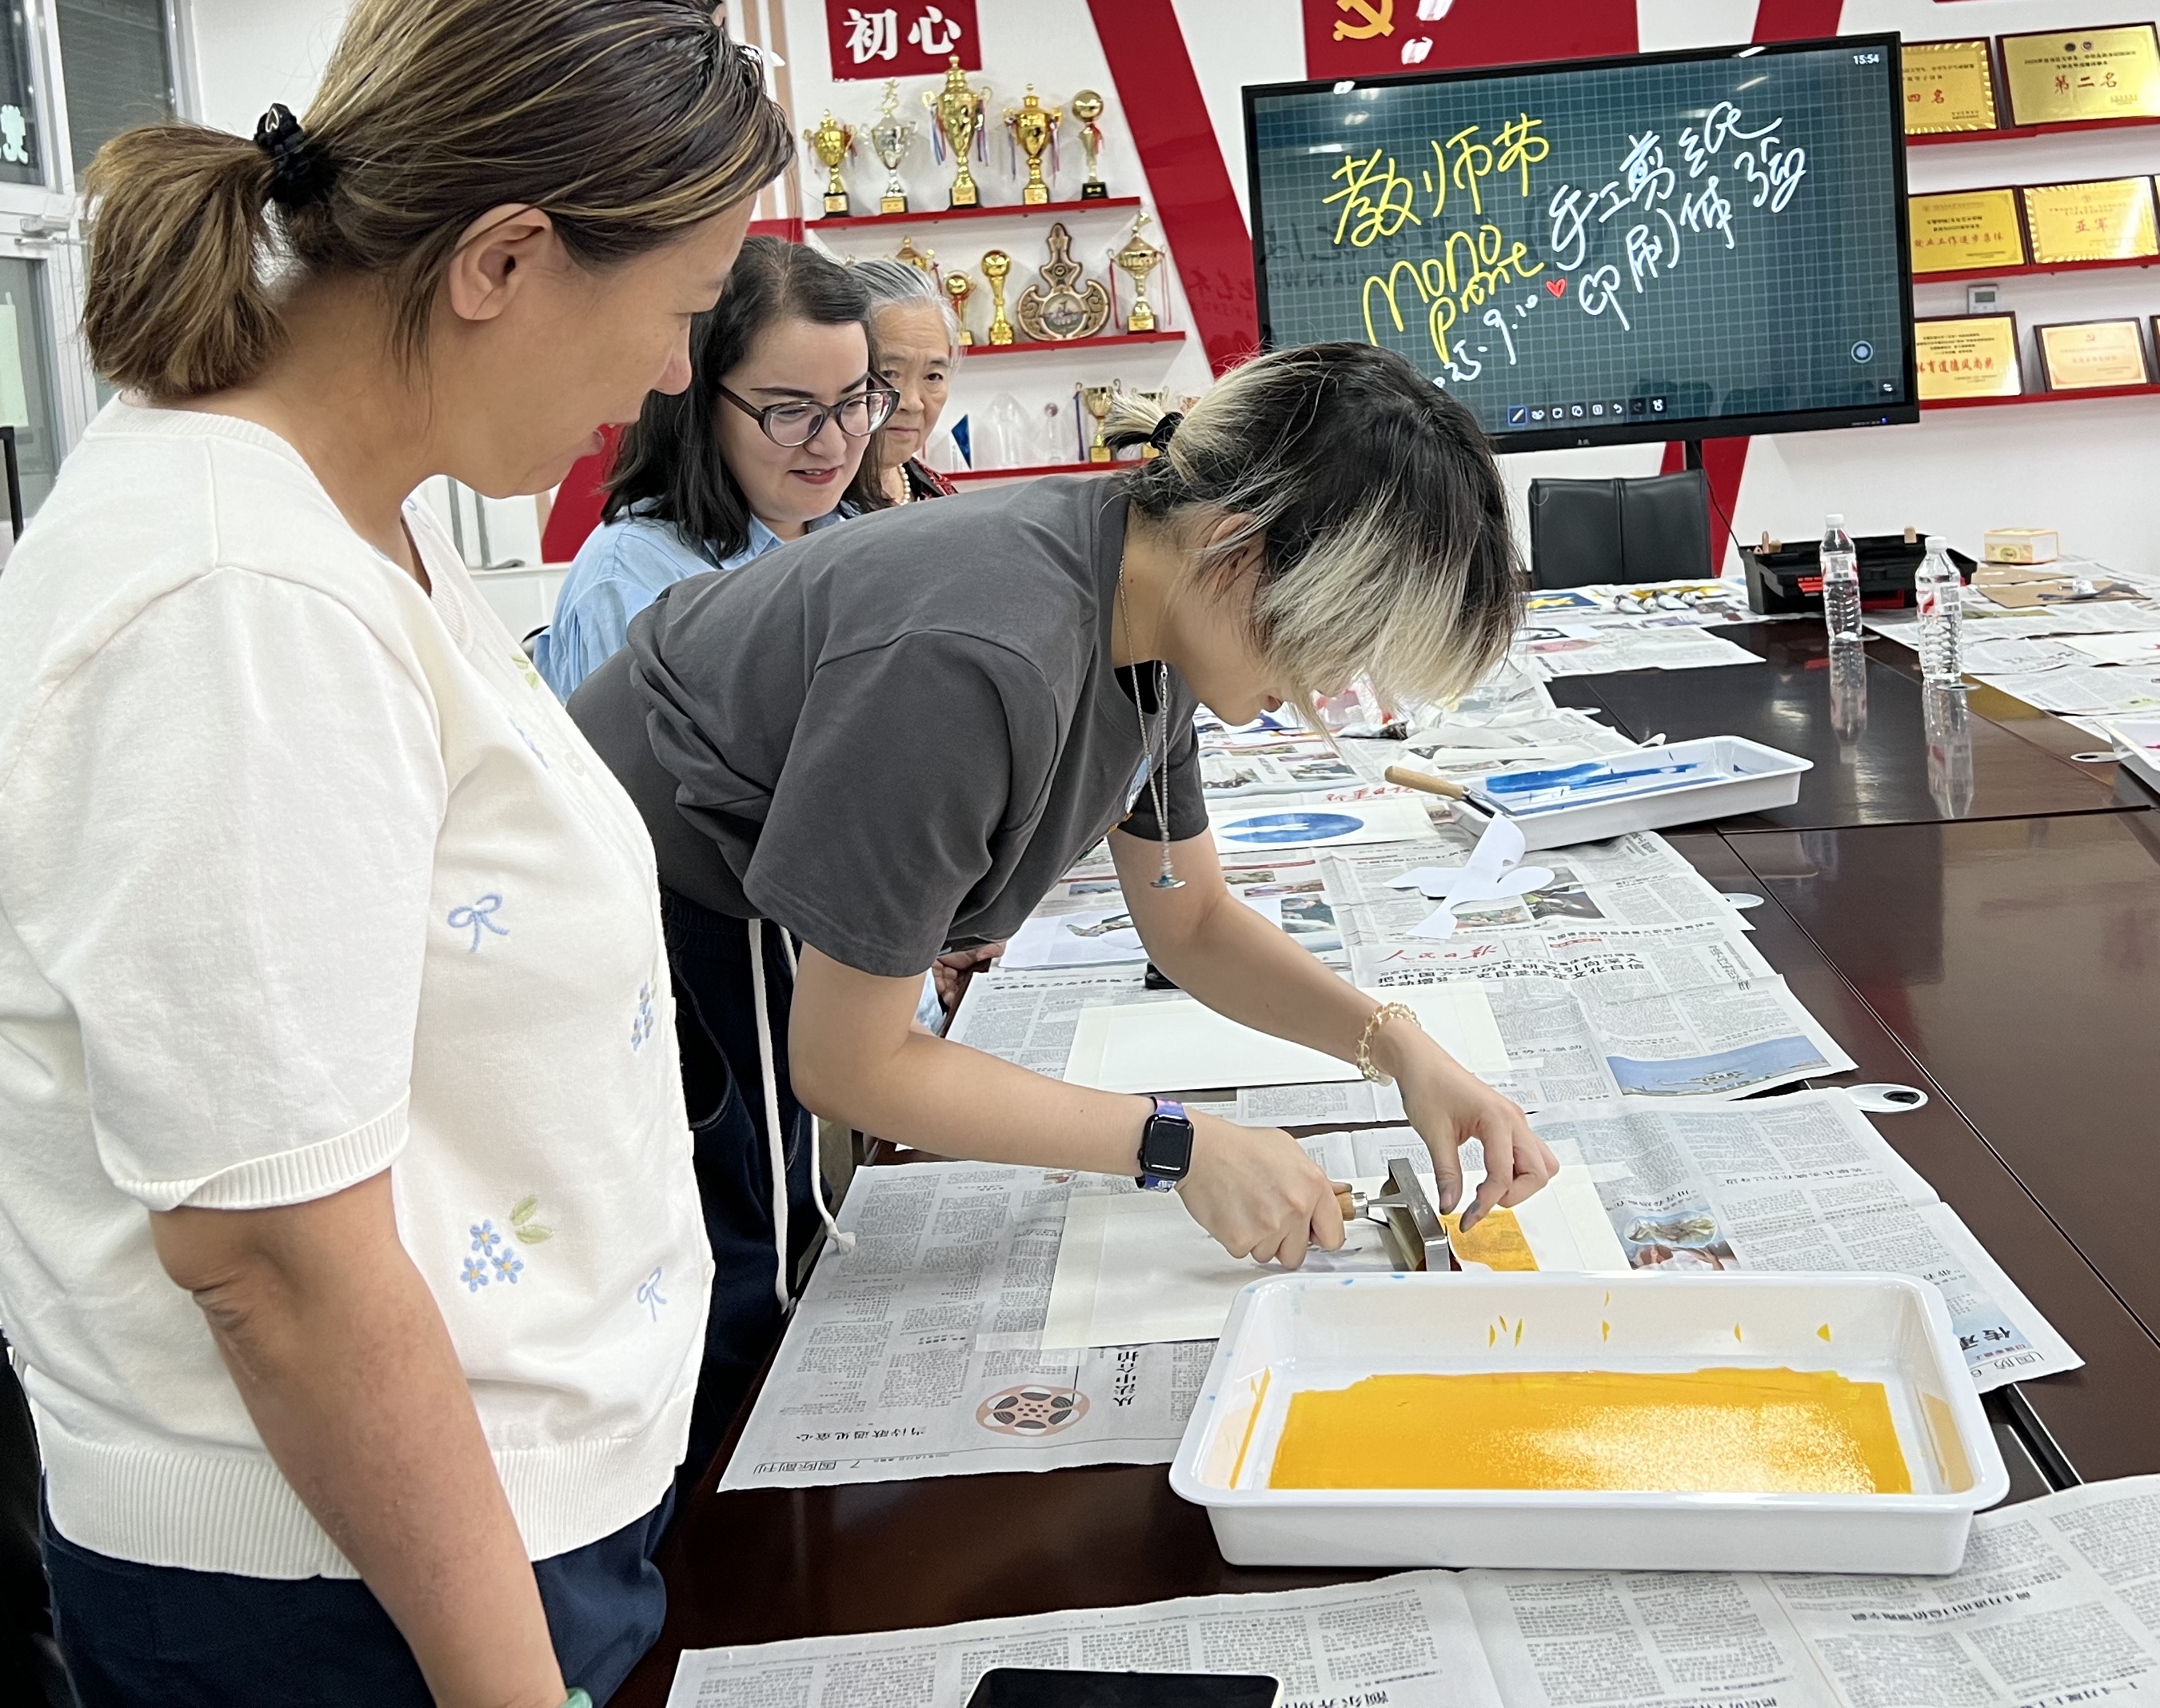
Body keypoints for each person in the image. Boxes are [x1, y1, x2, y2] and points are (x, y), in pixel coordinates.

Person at [0, 0, 791, 1708]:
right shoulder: (234, 598)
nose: (666, 375)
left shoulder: (338, 514)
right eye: (679, 309)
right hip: (353, 1590)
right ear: (505, 260)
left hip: (458, 1530)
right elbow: (273, 1259)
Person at [569, 341, 1559, 1461]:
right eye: (1342, 641)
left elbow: (1190, 920)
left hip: (743, 910)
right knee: (716, 1334)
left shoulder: (1151, 601)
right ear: (1239, 552)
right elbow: (851, 1066)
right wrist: (1176, 1143)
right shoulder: (979, 656)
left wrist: (1400, 1046)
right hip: (649, 925)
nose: (1331, 689)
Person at [534, 238, 891, 698]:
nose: (833, 444)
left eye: (853, 402)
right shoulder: (634, 577)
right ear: (699, 406)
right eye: (790, 411)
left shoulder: (862, 535)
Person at [840, 255, 960, 508]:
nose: (912, 403)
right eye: (889, 373)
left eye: (933, 377)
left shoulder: (941, 494)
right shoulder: (804, 513)